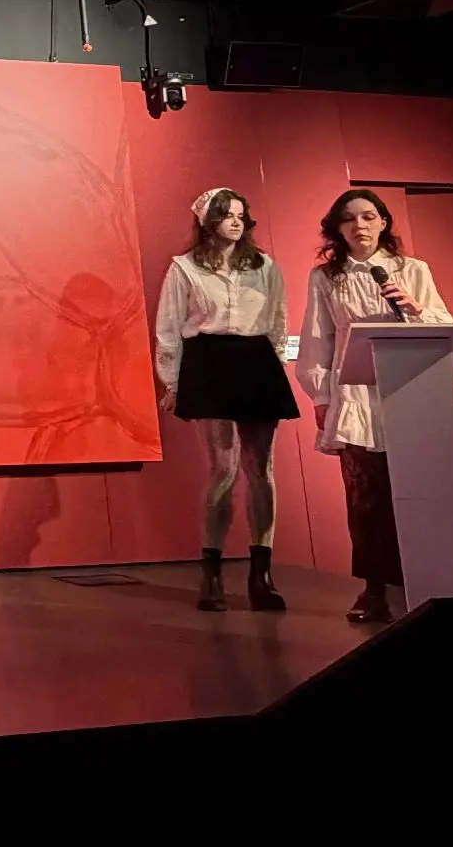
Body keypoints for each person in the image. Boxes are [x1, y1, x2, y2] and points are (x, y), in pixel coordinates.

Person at [299, 189, 453, 624]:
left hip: (413, 388)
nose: (360, 226)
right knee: (366, 499)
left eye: (369, 217)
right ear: (337, 228)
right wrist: (321, 396)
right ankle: (373, 590)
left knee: (426, 493)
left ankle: (436, 586)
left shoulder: (413, 270)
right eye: (349, 219)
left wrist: (416, 309)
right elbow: (317, 339)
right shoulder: (327, 277)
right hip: (358, 395)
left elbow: (445, 324)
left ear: (383, 222)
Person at [155, 188, 298, 612]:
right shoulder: (185, 268)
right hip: (209, 361)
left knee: (261, 469)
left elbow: (278, 319)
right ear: (207, 221)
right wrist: (172, 382)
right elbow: (168, 327)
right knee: (223, 468)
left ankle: (261, 573)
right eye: (227, 215)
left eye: (241, 215)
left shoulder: (264, 266)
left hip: (255, 361)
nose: (236, 222)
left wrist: (274, 367)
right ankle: (212, 571)